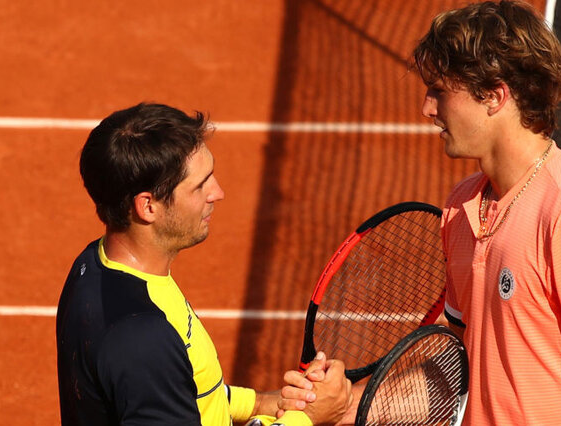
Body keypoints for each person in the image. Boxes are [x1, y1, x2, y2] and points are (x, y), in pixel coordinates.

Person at [410, 1, 561, 424]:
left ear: (494, 96)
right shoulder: (463, 207)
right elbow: (455, 375)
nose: (428, 109)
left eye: (439, 90)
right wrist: (347, 403)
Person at [56, 103, 352, 426]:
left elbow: (194, 392)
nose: (218, 193)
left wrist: (268, 403)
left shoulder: (95, 264)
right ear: (148, 206)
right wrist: (307, 419)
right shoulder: (142, 339)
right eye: (201, 185)